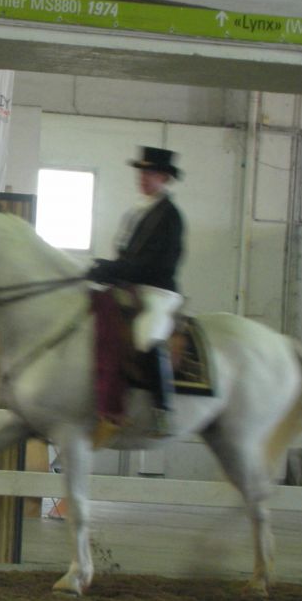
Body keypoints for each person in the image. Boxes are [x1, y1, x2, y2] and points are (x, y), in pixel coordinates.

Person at [87, 146, 185, 434]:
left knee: (146, 335)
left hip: (157, 291)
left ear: (164, 178)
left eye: (149, 173)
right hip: (129, 286)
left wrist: (114, 270)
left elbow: (156, 264)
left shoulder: (170, 216)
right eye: (141, 173)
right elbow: (126, 257)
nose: (142, 178)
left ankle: (163, 409)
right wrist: (106, 269)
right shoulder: (137, 212)